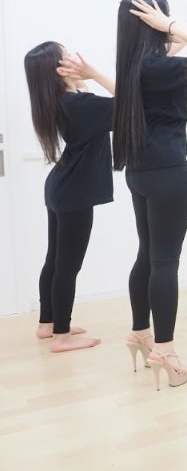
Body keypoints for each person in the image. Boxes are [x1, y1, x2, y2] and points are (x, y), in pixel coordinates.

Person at [111, 0, 187, 389]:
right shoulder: (161, 69)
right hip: (168, 172)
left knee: (148, 254)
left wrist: (164, 34)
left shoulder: (133, 67)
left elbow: (167, 56)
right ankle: (165, 350)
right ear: (153, 22)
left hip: (140, 171)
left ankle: (140, 333)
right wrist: (173, 27)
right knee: (165, 262)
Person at [24, 42, 115, 352]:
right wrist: (94, 73)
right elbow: (131, 104)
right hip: (74, 192)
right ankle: (61, 335)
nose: (75, 56)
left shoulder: (63, 101)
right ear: (59, 69)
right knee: (67, 265)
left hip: (61, 188)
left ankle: (47, 323)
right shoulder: (80, 104)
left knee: (55, 258)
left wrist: (80, 80)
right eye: (67, 54)